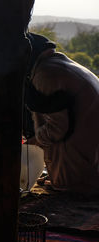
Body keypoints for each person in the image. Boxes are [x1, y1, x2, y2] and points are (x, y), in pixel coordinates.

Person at [25, 32, 99, 194]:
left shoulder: (47, 73)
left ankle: (73, 182)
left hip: (81, 159)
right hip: (91, 150)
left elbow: (57, 129)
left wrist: (34, 140)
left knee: (64, 184)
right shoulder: (59, 64)